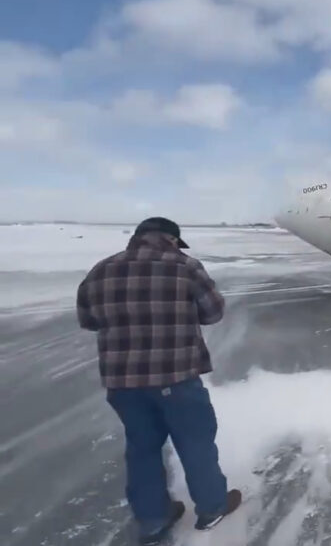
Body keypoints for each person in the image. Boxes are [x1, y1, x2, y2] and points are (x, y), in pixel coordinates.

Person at [75, 217, 241, 546]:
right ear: (171, 239)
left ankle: (153, 520)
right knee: (195, 443)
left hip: (123, 383)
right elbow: (213, 312)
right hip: (176, 376)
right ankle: (212, 507)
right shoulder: (185, 267)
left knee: (142, 448)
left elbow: (88, 319)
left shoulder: (100, 270)